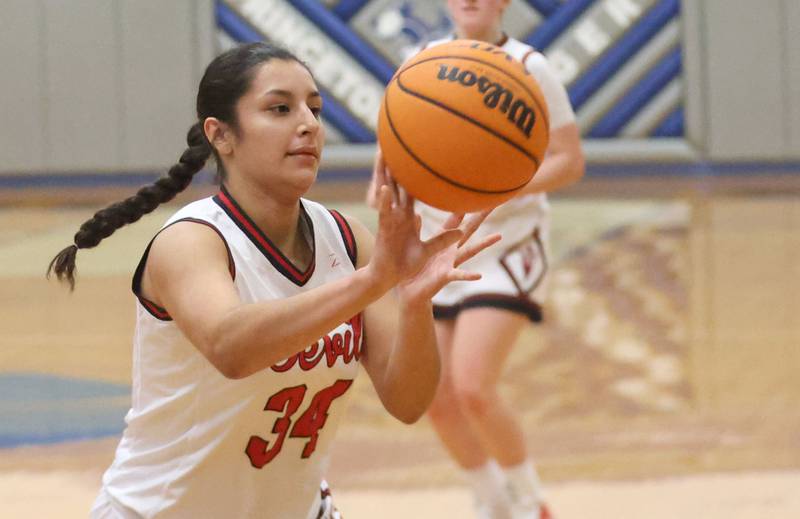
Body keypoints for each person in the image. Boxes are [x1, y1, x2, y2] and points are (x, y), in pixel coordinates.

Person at [47, 42, 499, 519]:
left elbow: (407, 401)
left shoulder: (348, 242)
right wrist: (373, 282)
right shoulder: (191, 241)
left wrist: (414, 301)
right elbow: (232, 348)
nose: (308, 123)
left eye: (315, 108)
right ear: (221, 135)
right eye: (280, 108)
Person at [367, 1, 585, 518]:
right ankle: (493, 501)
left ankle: (532, 503)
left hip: (506, 245)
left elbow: (569, 159)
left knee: (473, 387)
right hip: (436, 245)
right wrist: (382, 187)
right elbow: (394, 145)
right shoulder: (421, 61)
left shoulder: (531, 68)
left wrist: (499, 186)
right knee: (437, 397)